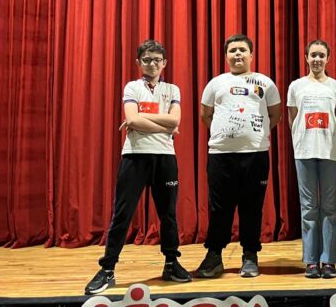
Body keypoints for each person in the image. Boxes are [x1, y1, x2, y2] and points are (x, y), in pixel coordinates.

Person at [85, 39, 191, 295]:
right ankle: (107, 269)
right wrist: (163, 125)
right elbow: (134, 119)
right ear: (139, 63)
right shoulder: (132, 87)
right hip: (134, 157)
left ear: (164, 63)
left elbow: (174, 120)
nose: (152, 64)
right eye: (147, 60)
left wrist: (142, 119)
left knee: (168, 215)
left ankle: (171, 263)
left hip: (165, 157)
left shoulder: (172, 89)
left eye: (157, 60)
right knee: (122, 215)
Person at [197, 34, 282, 278]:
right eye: (232, 50)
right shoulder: (216, 83)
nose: (237, 54)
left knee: (251, 208)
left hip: (255, 156)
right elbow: (205, 115)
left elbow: (275, 115)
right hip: (221, 155)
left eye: (242, 50)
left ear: (251, 55)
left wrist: (254, 135)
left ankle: (250, 255)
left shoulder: (265, 83)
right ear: (226, 56)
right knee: (219, 208)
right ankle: (214, 255)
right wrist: (226, 135)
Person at [287, 40, 336, 279]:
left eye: (321, 55)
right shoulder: (296, 86)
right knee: (309, 208)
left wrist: (328, 139)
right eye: (313, 55)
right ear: (306, 58)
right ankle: (311, 261)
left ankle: (329, 260)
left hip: (329, 152)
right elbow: (293, 118)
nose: (317, 59)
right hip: (304, 151)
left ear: (328, 59)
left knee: (329, 207)